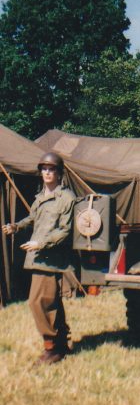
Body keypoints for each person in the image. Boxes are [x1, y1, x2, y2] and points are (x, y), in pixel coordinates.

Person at [2, 152, 76, 365]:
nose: (47, 173)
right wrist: (17, 226)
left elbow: (65, 230)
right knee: (51, 301)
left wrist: (40, 243)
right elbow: (33, 218)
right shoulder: (40, 197)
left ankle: (51, 348)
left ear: (59, 173)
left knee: (38, 302)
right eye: (44, 169)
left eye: (51, 169)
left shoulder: (66, 198)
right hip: (38, 256)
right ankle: (61, 343)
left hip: (51, 257)